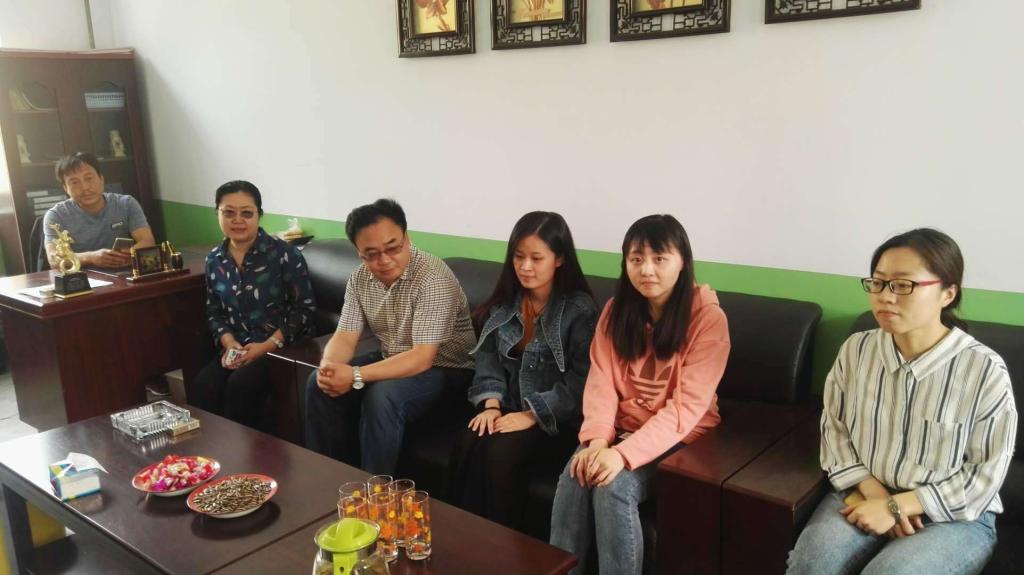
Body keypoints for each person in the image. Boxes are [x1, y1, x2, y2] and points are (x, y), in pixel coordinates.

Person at [787, 228, 1016, 575]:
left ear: (947, 293)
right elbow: (835, 430)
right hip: (866, 489)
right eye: (878, 283)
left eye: (903, 285)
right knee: (810, 566)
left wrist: (898, 507)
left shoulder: (983, 370)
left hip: (955, 514)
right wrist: (879, 497)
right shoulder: (857, 350)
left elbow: (984, 476)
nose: (885, 296)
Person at [549, 214, 731, 574]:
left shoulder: (708, 319)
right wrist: (597, 442)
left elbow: (685, 410)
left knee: (613, 485)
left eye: (659, 258)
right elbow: (601, 381)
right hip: (623, 428)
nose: (646, 269)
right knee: (577, 472)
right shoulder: (616, 311)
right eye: (636, 259)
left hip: (685, 439)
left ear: (682, 262)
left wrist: (622, 455)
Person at [304, 198, 476, 475]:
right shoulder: (360, 278)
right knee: (318, 382)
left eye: (392, 248)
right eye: (371, 254)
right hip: (394, 358)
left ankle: (375, 489)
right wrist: (330, 367)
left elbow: (422, 358)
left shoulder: (433, 277)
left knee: (383, 396)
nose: (384, 260)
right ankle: (329, 477)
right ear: (359, 252)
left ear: (406, 237)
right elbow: (345, 335)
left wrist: (355, 375)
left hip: (448, 370)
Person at [449, 211, 598, 529]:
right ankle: (465, 538)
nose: (525, 267)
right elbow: (487, 357)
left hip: (555, 420)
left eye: (536, 258)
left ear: (559, 259)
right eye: (519, 257)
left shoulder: (579, 311)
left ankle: (504, 547)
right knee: (468, 441)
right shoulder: (507, 302)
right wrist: (491, 405)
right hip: (508, 407)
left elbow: (582, 383)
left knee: (501, 454)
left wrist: (531, 415)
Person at [189, 180, 316, 429]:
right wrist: (229, 344)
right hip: (238, 347)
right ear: (217, 213)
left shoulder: (285, 254)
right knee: (204, 385)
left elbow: (305, 309)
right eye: (229, 212)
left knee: (241, 385)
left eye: (246, 213)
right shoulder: (214, 259)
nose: (238, 220)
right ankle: (213, 451)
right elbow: (214, 311)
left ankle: (250, 453)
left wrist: (267, 345)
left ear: (259, 215)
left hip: (282, 347)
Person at [43, 152, 155, 269]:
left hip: (124, 273)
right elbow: (54, 260)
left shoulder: (126, 204)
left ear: (101, 179)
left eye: (89, 178)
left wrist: (124, 256)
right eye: (75, 182)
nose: (85, 187)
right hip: (82, 277)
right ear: (65, 188)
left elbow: (147, 241)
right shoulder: (56, 216)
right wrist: (90, 258)